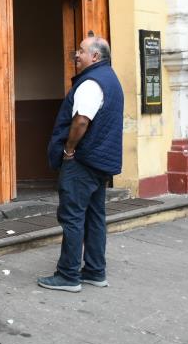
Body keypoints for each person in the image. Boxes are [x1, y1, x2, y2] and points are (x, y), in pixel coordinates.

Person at [38, 36, 124, 292]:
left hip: (83, 161)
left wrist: (68, 149)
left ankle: (68, 275)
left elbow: (81, 121)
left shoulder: (90, 83)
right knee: (95, 216)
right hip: (101, 162)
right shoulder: (111, 78)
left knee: (72, 216)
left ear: (95, 57)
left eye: (81, 51)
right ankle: (95, 271)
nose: (76, 55)